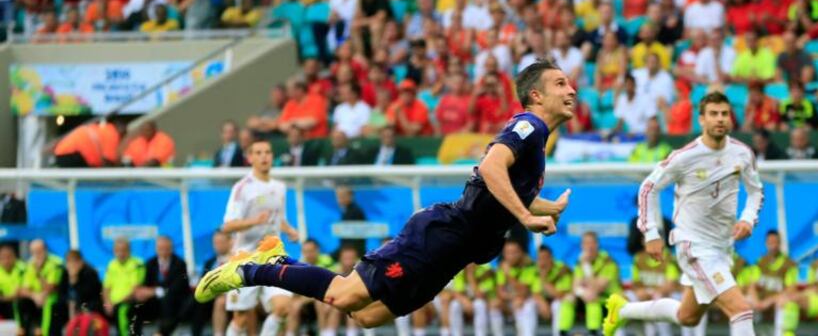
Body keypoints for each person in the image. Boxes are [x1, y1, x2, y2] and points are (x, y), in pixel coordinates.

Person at [196, 60, 576, 330]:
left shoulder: (537, 143)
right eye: (560, 84)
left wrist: (544, 208)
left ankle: (279, 261)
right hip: (440, 237)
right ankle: (252, 269)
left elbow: (502, 191)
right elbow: (492, 169)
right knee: (344, 296)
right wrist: (527, 217)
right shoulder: (529, 126)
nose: (571, 89)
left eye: (569, 84)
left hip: (453, 257)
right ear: (536, 95)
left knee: (366, 316)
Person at [603, 92, 763, 336]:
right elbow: (648, 188)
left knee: (687, 317)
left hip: (722, 247)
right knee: (741, 310)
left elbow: (755, 190)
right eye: (713, 114)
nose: (720, 119)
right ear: (702, 119)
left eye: (724, 113)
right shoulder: (685, 156)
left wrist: (748, 218)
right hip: (694, 246)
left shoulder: (742, 153)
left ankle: (622, 310)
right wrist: (651, 233)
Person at [220, 141, 301, 336]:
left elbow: (278, 218)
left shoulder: (280, 187)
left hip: (273, 257)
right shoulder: (242, 187)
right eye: (258, 153)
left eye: (267, 152)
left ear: (272, 157)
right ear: (250, 158)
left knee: (283, 306)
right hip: (245, 258)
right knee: (240, 318)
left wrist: (290, 230)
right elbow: (228, 225)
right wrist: (254, 221)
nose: (264, 156)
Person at [134, 236, 192, 336]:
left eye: (166, 248)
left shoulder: (180, 264)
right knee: (136, 304)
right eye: (161, 248)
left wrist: (156, 291)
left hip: (175, 300)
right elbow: (146, 285)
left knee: (168, 299)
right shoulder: (150, 263)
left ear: (171, 249)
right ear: (156, 249)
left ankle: (162, 333)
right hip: (154, 301)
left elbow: (177, 287)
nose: (164, 251)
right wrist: (145, 292)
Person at [743, 230, 796, 334]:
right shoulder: (760, 262)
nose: (773, 245)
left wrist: (770, 301)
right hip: (761, 300)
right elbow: (752, 285)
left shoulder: (789, 264)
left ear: (780, 243)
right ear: (766, 243)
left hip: (776, 300)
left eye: (775, 242)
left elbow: (791, 289)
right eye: (770, 242)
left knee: (784, 301)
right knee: (744, 301)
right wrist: (756, 302)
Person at [17, 239, 64, 336]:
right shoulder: (30, 264)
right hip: (37, 297)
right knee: (22, 301)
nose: (36, 255)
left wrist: (38, 272)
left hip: (53, 297)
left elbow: (50, 288)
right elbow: (25, 288)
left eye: (39, 251)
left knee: (48, 301)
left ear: (45, 250)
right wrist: (34, 296)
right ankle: (23, 330)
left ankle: (44, 332)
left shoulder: (56, 263)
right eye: (34, 252)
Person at [102, 238, 144, 336]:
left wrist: (117, 303)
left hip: (130, 301)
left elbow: (135, 289)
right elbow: (106, 288)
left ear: (129, 250)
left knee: (122, 309)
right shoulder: (111, 265)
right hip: (113, 303)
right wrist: (107, 303)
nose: (121, 253)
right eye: (118, 250)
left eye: (124, 250)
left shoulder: (137, 264)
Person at [193, 231, 232, 336]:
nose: (218, 245)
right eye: (216, 242)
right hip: (211, 295)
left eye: (221, 242)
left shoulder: (235, 260)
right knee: (195, 299)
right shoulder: (209, 262)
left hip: (228, 294)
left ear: (230, 242)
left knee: (219, 302)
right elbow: (202, 281)